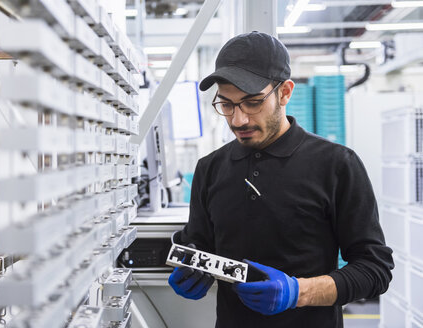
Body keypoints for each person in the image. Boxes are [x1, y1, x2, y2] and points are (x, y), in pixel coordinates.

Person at [167, 31, 394, 327]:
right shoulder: (210, 169)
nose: (238, 120)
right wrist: (190, 267)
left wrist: (299, 292)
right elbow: (197, 244)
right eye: (226, 105)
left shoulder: (337, 165)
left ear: (285, 92)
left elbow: (375, 269)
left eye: (252, 102)